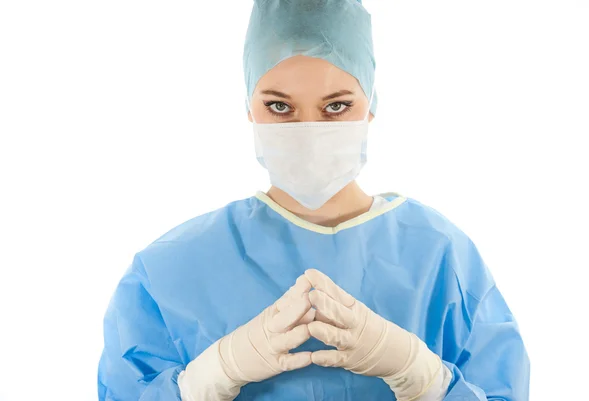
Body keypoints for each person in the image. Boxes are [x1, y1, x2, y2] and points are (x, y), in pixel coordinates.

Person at [98, 1, 530, 400]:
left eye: (336, 106)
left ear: (371, 105)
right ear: (250, 108)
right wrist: (205, 380)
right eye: (280, 107)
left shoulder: (441, 257)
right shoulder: (170, 270)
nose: (309, 130)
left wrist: (425, 377)